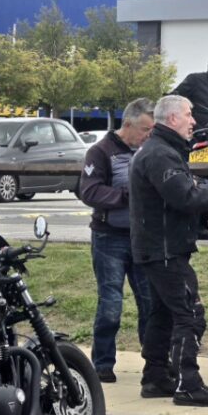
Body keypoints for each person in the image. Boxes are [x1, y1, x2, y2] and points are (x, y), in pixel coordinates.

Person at [129, 95, 208, 407]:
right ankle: (188, 383)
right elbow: (184, 196)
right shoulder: (160, 154)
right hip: (165, 250)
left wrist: (203, 217)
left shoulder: (162, 150)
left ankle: (156, 376)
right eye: (188, 115)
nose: (193, 121)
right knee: (189, 314)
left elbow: (171, 202)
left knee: (162, 315)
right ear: (172, 118)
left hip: (159, 247)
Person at [79, 98, 156, 384]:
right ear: (128, 124)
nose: (148, 135)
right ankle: (101, 364)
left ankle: (155, 363)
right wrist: (126, 197)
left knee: (150, 303)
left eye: (152, 129)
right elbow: (89, 191)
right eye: (145, 129)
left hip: (142, 238)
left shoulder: (148, 150)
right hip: (109, 237)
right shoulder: (100, 152)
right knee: (110, 304)